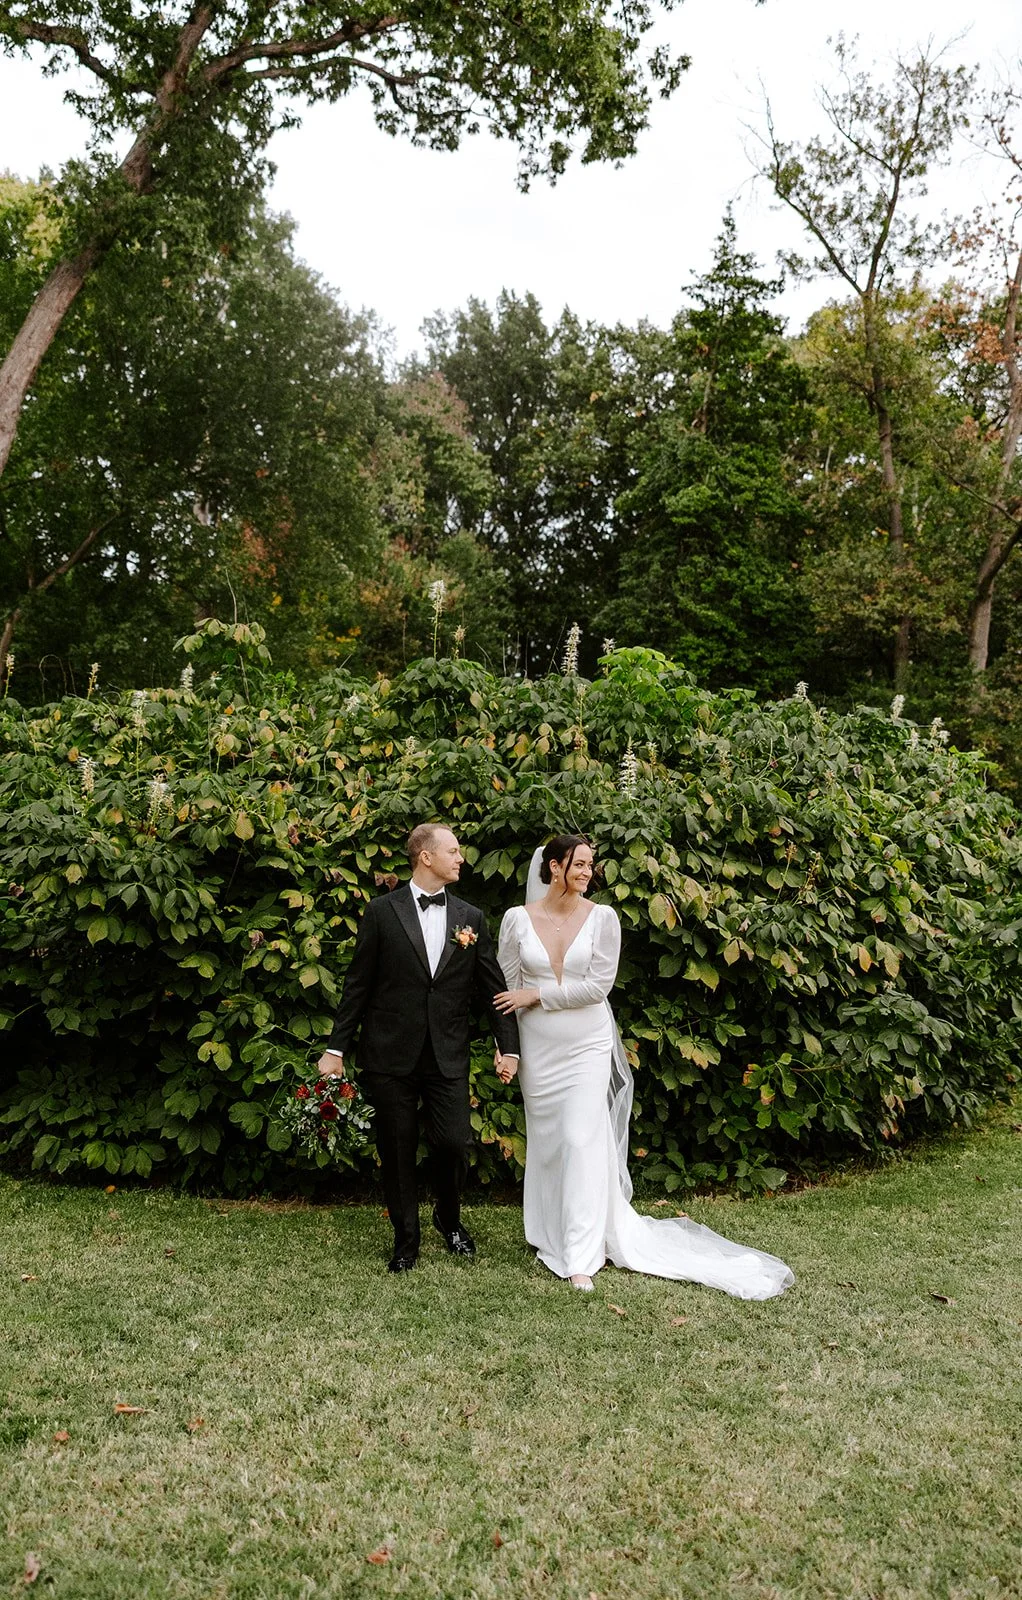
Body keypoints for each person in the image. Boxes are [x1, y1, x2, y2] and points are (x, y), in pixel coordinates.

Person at [493, 834, 794, 1299]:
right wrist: (506, 1048)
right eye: (578, 864)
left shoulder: (603, 919)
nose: (587, 872)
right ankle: (549, 1235)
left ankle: (580, 1255)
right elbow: (505, 991)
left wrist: (538, 995)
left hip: (586, 1046)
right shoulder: (516, 919)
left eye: (591, 865)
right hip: (539, 1052)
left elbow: (597, 987)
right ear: (553, 866)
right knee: (552, 1144)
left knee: (579, 1136)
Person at [317, 822, 520, 1273]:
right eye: (453, 850)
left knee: (453, 1143)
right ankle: (405, 1239)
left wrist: (509, 1047)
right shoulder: (381, 912)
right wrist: (336, 1048)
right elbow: (358, 986)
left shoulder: (471, 917)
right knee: (397, 1148)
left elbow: (493, 989)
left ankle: (449, 1218)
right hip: (390, 1053)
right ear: (425, 857)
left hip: (447, 1053)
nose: (461, 858)